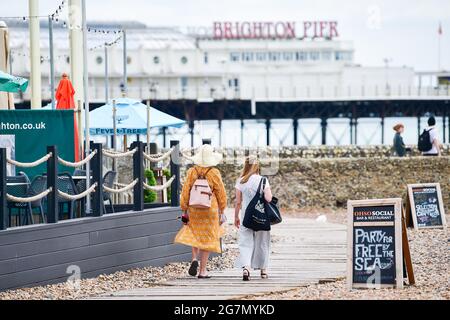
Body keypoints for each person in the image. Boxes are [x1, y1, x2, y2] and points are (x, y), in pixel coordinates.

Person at [174, 144, 227, 279]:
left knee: (195, 234)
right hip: (210, 209)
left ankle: (194, 259)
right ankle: (202, 271)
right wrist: (222, 209)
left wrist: (184, 208)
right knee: (208, 238)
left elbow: (185, 191)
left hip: (194, 208)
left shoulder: (192, 171)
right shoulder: (214, 173)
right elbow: (221, 193)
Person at [234, 155, 273, 281]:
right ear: (257, 166)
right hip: (261, 216)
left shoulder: (241, 181)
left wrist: (236, 217)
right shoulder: (263, 180)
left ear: (246, 165)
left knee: (245, 242)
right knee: (262, 242)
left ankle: (246, 267)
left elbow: (238, 202)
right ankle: (263, 270)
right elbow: (269, 198)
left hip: (246, 217)